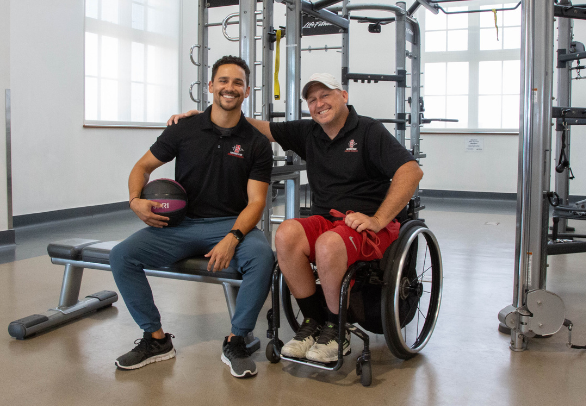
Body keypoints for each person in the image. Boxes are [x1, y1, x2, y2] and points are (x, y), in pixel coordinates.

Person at [168, 72, 423, 363]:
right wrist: (206, 117)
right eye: (311, 100)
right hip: (329, 220)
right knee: (286, 233)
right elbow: (258, 127)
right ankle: (314, 323)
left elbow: (411, 171)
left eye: (325, 95)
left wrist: (377, 219)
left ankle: (338, 332)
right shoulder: (308, 132)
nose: (318, 104)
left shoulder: (369, 131)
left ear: (344, 96)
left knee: (328, 244)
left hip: (366, 225)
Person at [110, 55, 274, 378]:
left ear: (247, 90)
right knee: (121, 256)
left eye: (237, 83)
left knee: (262, 256)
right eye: (223, 81)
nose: (230, 88)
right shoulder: (183, 128)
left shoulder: (256, 143)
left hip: (230, 224)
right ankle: (156, 339)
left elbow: (256, 202)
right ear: (211, 86)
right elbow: (141, 168)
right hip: (181, 226)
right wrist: (134, 201)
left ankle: (236, 339)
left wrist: (234, 237)